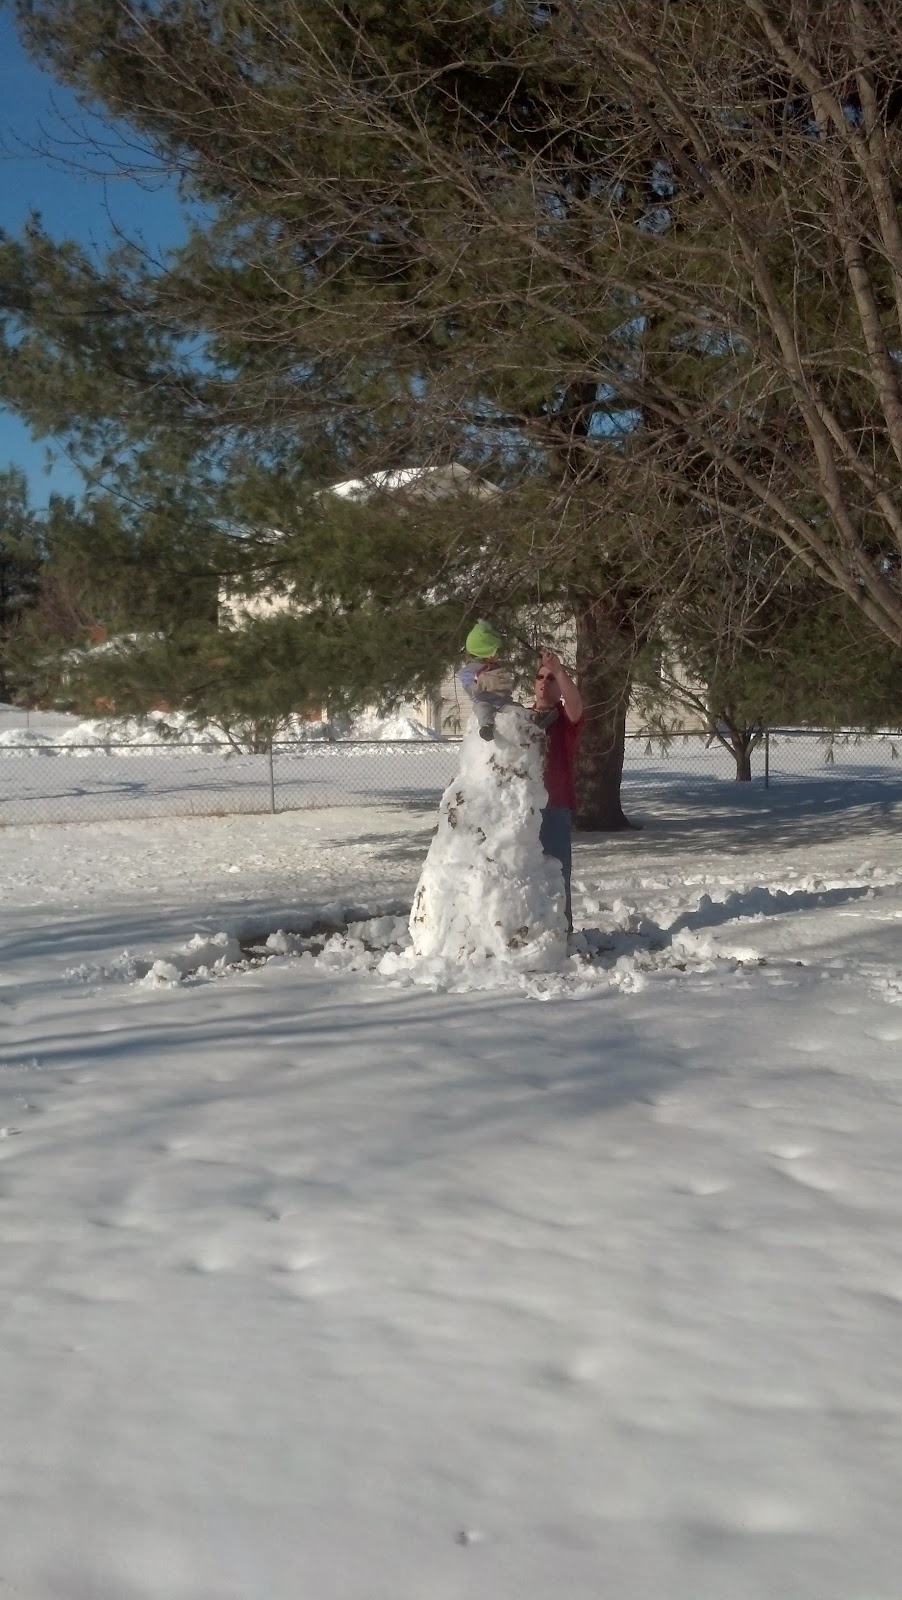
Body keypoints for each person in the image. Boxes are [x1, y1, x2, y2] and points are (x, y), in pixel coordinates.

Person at [534, 647, 584, 933]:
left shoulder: (564, 720)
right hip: (522, 810)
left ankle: (560, 934)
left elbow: (575, 705)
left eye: (550, 679)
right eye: (540, 677)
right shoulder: (521, 718)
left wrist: (559, 670)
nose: (544, 682)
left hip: (555, 808)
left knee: (556, 874)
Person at [459, 620, 516, 740]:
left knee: (516, 709)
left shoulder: (496, 666)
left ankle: (534, 719)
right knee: (483, 710)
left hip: (502, 701)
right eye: (496, 651)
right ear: (486, 652)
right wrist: (478, 684)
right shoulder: (470, 670)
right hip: (484, 701)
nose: (498, 655)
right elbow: (468, 684)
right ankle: (486, 727)